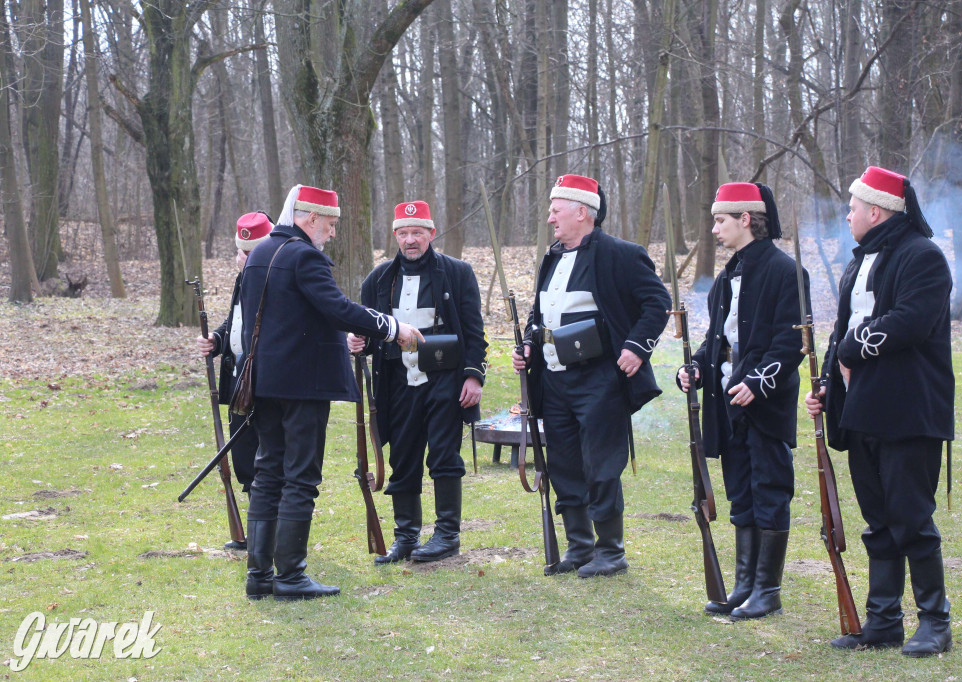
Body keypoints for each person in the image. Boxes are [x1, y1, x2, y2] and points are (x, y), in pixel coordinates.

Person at [239, 184, 422, 601]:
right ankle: (290, 575)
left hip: (265, 383)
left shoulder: (261, 254)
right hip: (303, 384)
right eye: (331, 223)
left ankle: (259, 575)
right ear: (308, 218)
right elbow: (339, 309)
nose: (334, 232)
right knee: (300, 477)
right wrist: (394, 328)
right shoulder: (304, 255)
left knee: (268, 474)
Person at [806, 166, 954, 656]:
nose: (847, 215)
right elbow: (842, 330)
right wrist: (827, 384)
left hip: (909, 407)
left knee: (911, 518)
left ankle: (935, 622)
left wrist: (849, 348)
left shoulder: (923, 257)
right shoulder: (858, 262)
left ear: (876, 210)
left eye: (853, 207)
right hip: (861, 408)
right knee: (878, 520)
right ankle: (883, 621)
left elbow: (910, 321)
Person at [511, 174, 670, 578]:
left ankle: (610, 551)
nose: (550, 219)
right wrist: (530, 344)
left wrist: (636, 347)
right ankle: (579, 547)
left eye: (556, 211)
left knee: (600, 465)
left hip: (600, 379)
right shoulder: (552, 256)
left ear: (582, 212)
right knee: (564, 464)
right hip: (555, 380)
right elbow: (541, 314)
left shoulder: (621, 254)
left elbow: (657, 302)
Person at [676, 182, 807, 620]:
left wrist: (758, 383)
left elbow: (790, 345)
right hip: (727, 403)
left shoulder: (784, 272)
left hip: (765, 406)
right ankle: (744, 585)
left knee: (769, 490)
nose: (714, 230)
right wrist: (694, 367)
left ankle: (767, 590)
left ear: (745, 219)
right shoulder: (727, 277)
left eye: (720, 221)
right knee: (740, 494)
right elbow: (718, 340)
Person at [348, 201, 487, 565]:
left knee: (444, 456)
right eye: (404, 234)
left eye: (417, 233)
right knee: (403, 458)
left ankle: (447, 535)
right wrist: (356, 342)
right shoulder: (376, 280)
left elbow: (473, 331)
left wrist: (474, 375)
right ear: (395, 235)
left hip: (445, 380)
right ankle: (406, 536)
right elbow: (367, 332)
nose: (410, 241)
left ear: (431, 233)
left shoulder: (458, 273)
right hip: (396, 382)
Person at [195, 211, 274, 551]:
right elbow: (237, 322)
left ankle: (270, 537)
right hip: (240, 382)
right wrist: (216, 339)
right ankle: (256, 536)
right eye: (242, 252)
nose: (245, 258)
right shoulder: (243, 279)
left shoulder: (276, 280)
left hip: (268, 384)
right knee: (244, 458)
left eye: (252, 251)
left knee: (268, 459)